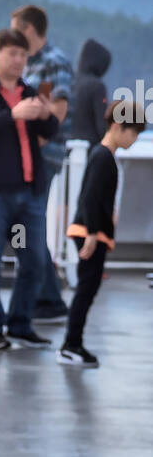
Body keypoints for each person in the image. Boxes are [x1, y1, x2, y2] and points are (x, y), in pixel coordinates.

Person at [0, 27, 61, 350]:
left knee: (34, 261)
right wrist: (12, 115)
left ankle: (20, 324)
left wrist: (46, 114)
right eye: (13, 54)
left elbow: (49, 130)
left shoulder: (30, 90)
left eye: (23, 55)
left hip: (28, 192)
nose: (19, 60)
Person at [58, 99, 146, 365]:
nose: (134, 139)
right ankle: (71, 345)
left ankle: (73, 343)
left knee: (89, 287)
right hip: (89, 232)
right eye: (133, 133)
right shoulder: (102, 156)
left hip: (92, 231)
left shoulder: (103, 155)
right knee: (86, 288)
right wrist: (93, 233)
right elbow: (90, 199)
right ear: (119, 126)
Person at [10, 5, 73, 323]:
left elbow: (57, 111)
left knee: (28, 224)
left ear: (29, 29)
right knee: (24, 225)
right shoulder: (31, 63)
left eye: (15, 29)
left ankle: (48, 299)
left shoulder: (53, 62)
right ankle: (47, 296)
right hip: (28, 157)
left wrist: (30, 149)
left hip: (41, 159)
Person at [71, 38, 112, 145]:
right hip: (90, 150)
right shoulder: (97, 86)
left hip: (65, 149)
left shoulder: (69, 80)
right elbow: (103, 127)